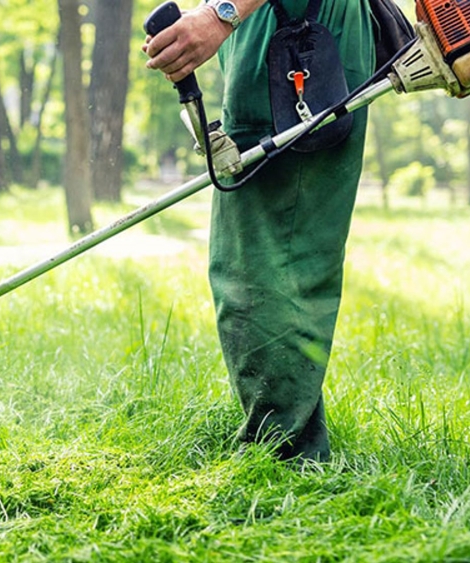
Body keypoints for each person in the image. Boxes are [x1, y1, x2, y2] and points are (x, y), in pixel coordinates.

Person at [143, 0, 376, 463]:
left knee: (270, 255)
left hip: (297, 27)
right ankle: (289, 440)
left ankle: (286, 456)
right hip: (275, 22)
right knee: (258, 253)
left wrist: (220, 15)